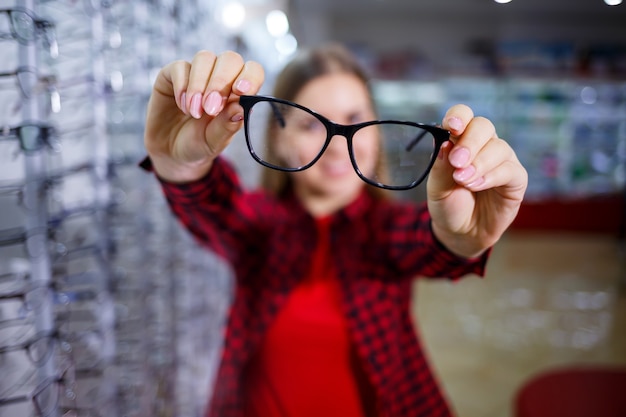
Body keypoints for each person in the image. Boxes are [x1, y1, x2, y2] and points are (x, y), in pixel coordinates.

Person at [142, 44, 528, 417]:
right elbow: (216, 209)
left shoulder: (384, 231)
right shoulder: (259, 225)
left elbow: (428, 241)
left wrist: (463, 239)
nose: (339, 146)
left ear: (377, 133)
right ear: (279, 137)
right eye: (311, 123)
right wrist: (179, 165)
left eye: (357, 119)